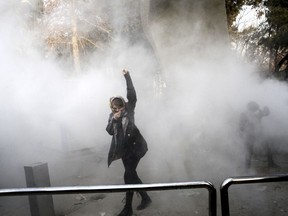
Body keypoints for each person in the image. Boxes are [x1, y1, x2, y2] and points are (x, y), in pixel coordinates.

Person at [106, 69, 152, 216]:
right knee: (132, 175)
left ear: (124, 105)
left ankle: (128, 208)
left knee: (128, 175)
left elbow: (132, 96)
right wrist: (115, 119)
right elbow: (109, 131)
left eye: (120, 106)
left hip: (136, 148)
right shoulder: (112, 116)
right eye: (115, 108)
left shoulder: (129, 110)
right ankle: (145, 198)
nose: (118, 109)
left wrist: (127, 77)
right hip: (124, 151)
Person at [239, 101, 276, 168]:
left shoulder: (257, 112)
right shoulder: (245, 114)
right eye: (254, 107)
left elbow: (266, 113)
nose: (256, 108)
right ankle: (247, 167)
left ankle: (271, 164)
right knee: (249, 151)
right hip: (251, 134)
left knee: (266, 148)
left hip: (257, 133)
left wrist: (266, 109)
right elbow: (241, 126)